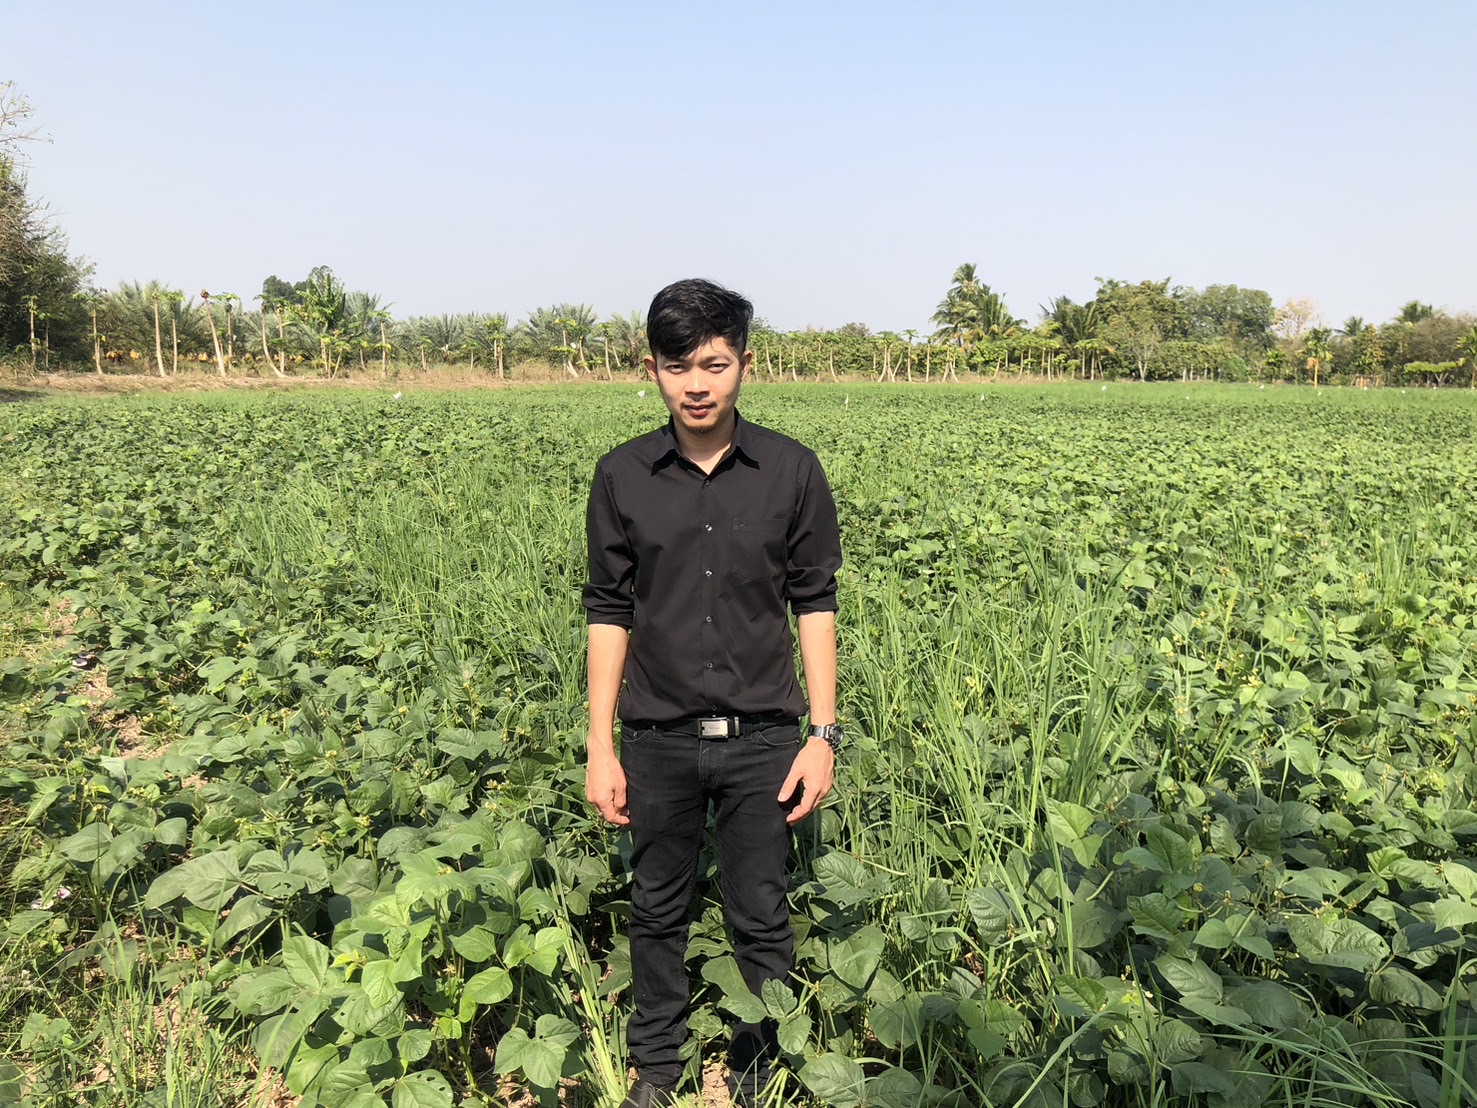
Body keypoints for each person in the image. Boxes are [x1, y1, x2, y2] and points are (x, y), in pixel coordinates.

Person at [583, 278, 844, 1108]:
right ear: (650, 370)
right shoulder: (621, 476)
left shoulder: (790, 470)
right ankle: (657, 1071)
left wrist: (823, 736)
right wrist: (599, 745)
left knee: (760, 912)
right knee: (655, 909)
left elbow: (814, 602)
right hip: (656, 737)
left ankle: (761, 1069)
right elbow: (608, 611)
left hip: (764, 738)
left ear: (744, 365)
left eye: (714, 364)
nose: (696, 384)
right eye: (676, 366)